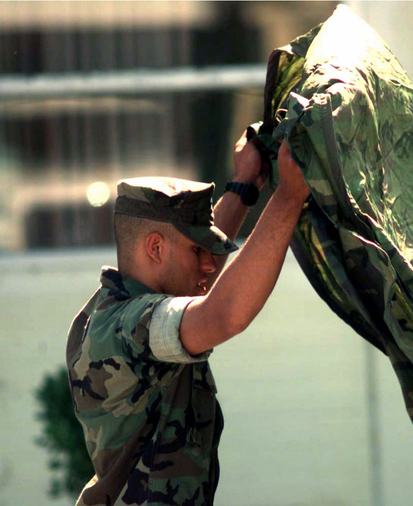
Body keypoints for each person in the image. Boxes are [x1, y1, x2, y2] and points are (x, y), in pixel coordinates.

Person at [66, 131, 310, 506]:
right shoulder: (127, 326)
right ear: (155, 248)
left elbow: (199, 281)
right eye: (198, 251)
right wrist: (289, 197)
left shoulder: (118, 306)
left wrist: (245, 184)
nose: (209, 265)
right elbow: (223, 315)